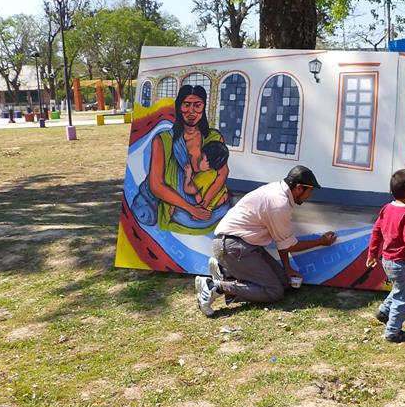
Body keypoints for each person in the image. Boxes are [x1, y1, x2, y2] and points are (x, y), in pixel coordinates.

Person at [195, 165, 337, 315]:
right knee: (274, 291)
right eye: (310, 191)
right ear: (299, 188)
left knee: (283, 282)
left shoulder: (277, 190)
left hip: (240, 245)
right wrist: (321, 242)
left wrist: (288, 269)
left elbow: (283, 242)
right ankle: (214, 286)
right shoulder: (279, 205)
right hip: (233, 246)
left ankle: (225, 270)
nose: (310, 195)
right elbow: (290, 245)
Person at [132, 84, 229, 233]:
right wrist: (192, 209)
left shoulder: (214, 138)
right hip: (180, 212)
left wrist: (204, 205)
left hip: (214, 210)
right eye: (186, 105)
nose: (191, 111)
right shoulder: (163, 140)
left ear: (203, 107)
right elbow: (156, 185)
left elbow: (223, 173)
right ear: (179, 107)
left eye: (197, 105)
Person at [365, 170, 405, 343]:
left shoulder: (387, 208)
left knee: (400, 289)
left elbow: (376, 231)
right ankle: (393, 332)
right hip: (402, 263)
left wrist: (372, 254)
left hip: (387, 261)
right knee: (404, 296)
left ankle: (384, 311)